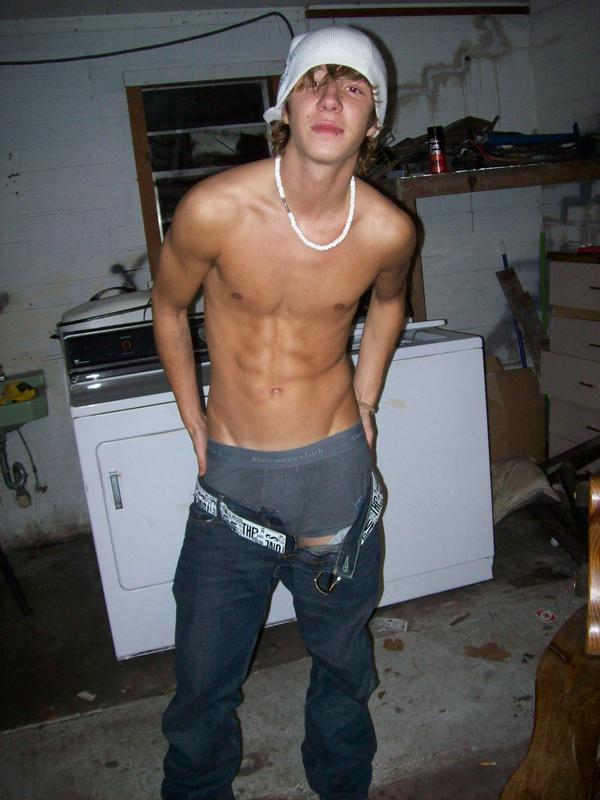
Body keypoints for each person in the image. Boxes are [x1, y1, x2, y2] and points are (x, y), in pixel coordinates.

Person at [153, 24, 416, 800]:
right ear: (286, 107)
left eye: (353, 87)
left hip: (334, 477)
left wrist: (366, 398)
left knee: (343, 666)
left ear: (373, 121)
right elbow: (167, 308)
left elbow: (390, 306)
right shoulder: (214, 208)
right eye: (314, 83)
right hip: (233, 481)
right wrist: (190, 414)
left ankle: (342, 787)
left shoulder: (388, 229)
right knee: (203, 681)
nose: (331, 99)